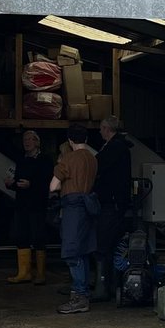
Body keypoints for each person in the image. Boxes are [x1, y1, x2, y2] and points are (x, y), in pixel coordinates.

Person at [50, 123, 98, 314]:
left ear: (70, 140)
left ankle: (79, 296)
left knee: (72, 252)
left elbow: (53, 186)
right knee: (83, 251)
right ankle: (82, 294)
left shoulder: (69, 159)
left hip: (73, 208)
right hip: (88, 206)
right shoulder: (92, 158)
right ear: (86, 139)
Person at [4, 130, 55, 285]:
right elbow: (17, 179)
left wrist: (31, 185)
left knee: (38, 237)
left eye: (30, 139)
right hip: (21, 203)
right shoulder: (21, 160)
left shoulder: (45, 160)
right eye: (25, 139)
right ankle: (24, 273)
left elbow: (47, 182)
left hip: (37, 204)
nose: (26, 142)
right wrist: (11, 184)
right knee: (21, 236)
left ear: (37, 142)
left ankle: (40, 273)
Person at [92, 115, 134, 302]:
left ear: (107, 129)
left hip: (112, 203)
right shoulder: (120, 146)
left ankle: (103, 286)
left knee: (104, 244)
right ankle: (109, 285)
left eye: (101, 128)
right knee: (110, 244)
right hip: (116, 203)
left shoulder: (114, 147)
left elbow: (98, 165)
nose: (100, 131)